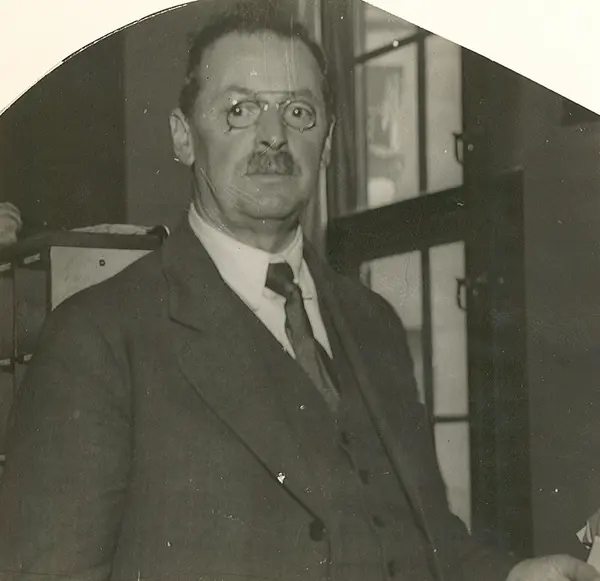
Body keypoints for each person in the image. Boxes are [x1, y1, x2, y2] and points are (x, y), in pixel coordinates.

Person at [0, 3, 597, 581]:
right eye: (240, 109)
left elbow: (424, 543)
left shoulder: (373, 323)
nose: (273, 137)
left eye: (299, 112)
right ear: (183, 137)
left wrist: (513, 576)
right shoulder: (98, 338)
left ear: (328, 141)